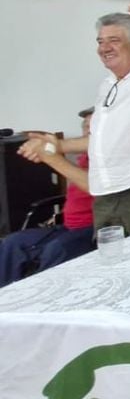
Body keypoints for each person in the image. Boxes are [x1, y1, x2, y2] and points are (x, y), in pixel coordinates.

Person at [26, 10, 130, 235]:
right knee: (111, 265)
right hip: (106, 193)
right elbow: (102, 138)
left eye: (114, 41)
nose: (104, 48)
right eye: (100, 41)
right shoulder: (108, 84)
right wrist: (57, 146)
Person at [4, 108, 96, 286]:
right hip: (67, 226)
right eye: (86, 127)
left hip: (92, 227)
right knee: (12, 243)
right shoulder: (82, 157)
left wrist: (52, 156)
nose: (89, 131)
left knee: (54, 250)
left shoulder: (107, 157)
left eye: (94, 127)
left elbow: (95, 186)